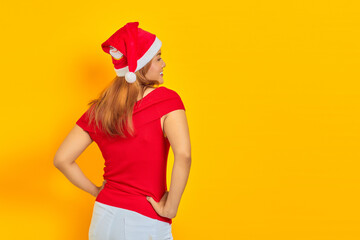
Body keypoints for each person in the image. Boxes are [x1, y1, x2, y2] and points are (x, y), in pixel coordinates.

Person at [53, 22, 192, 240]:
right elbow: (183, 155)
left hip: (103, 217)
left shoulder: (101, 110)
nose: (163, 63)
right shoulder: (166, 100)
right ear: (142, 65)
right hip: (144, 222)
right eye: (157, 58)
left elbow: (62, 159)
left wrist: (96, 191)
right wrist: (170, 208)